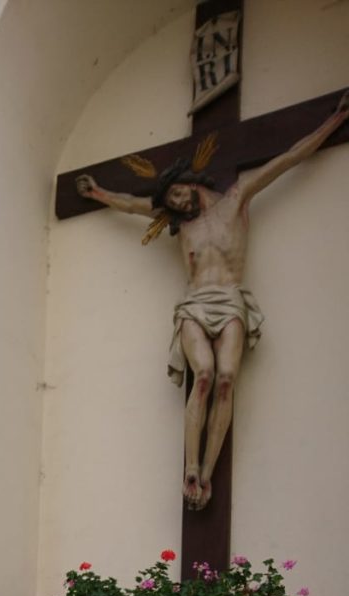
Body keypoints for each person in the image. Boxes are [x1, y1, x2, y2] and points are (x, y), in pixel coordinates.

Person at [76, 91, 349, 510]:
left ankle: (207, 472)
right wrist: (98, 193)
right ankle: (190, 469)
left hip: (231, 301)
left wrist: (334, 122)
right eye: (170, 202)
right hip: (194, 304)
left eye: (179, 195)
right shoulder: (179, 224)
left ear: (191, 182)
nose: (178, 203)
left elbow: (288, 159)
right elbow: (132, 205)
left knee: (225, 381)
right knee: (201, 374)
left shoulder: (237, 198)